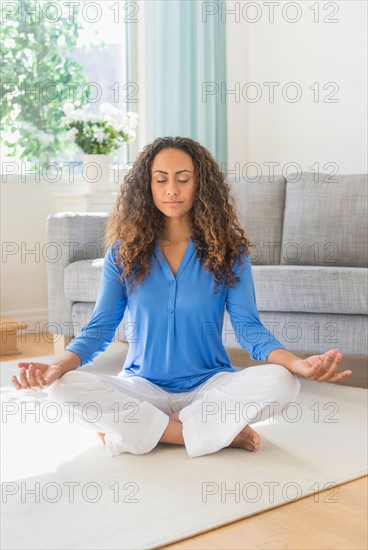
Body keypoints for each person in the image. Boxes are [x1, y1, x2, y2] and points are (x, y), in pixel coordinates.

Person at [12, 136, 352, 458]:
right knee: (62, 388)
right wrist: (57, 366)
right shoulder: (123, 254)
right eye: (160, 180)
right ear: (147, 187)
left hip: (209, 387)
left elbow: (249, 330)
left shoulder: (228, 253)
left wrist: (296, 363)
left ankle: (141, 432)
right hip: (142, 386)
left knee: (282, 382)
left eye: (182, 179)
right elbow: (100, 328)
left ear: (200, 185)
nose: (171, 189)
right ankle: (207, 434)